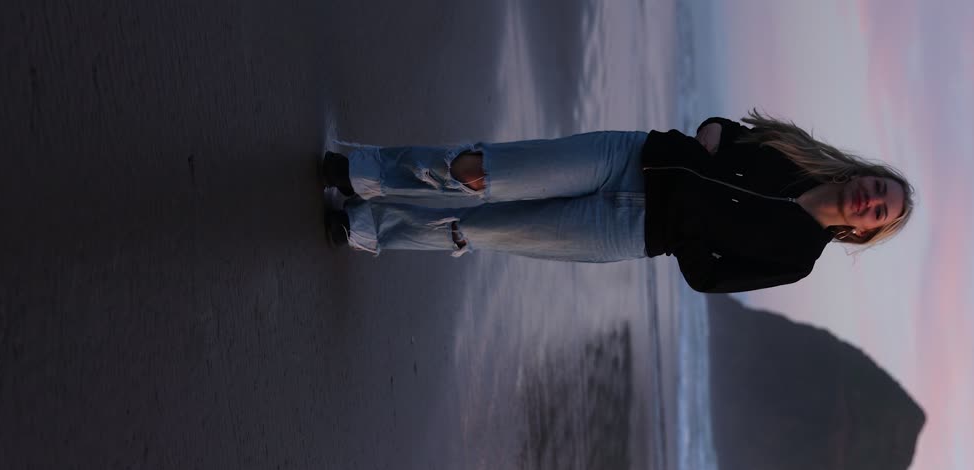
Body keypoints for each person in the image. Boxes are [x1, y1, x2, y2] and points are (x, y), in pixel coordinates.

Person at [321, 110, 915, 293]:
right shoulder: (796, 152)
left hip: (623, 231)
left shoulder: (796, 259)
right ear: (864, 175)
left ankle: (368, 227)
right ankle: (363, 171)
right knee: (478, 172)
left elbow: (710, 279)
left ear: (866, 231)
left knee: (476, 230)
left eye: (879, 211)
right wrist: (711, 133)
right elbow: (729, 128)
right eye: (878, 188)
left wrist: (687, 230)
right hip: (628, 157)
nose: (870, 200)